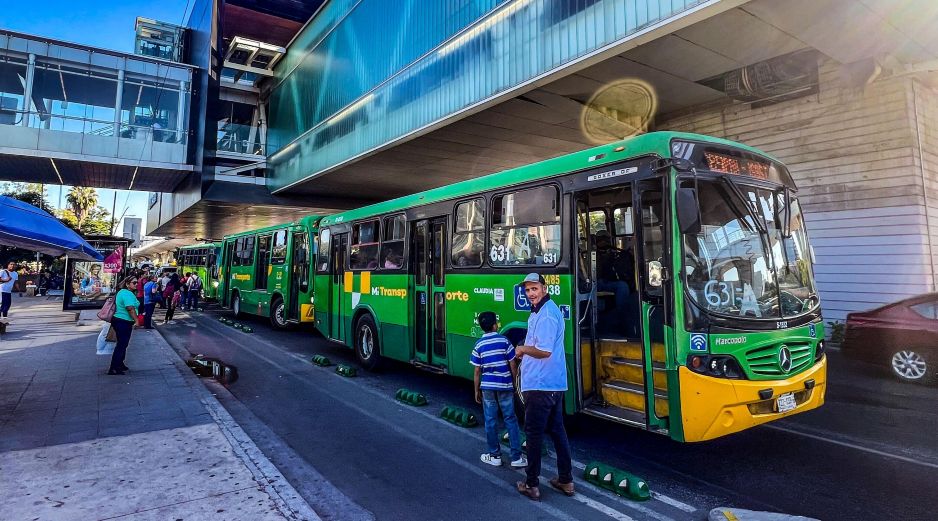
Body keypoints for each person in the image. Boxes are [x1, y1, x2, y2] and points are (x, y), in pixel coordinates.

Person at [513, 273, 574, 501]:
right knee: (557, 431)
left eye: (534, 289)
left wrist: (522, 350)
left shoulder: (547, 314)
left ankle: (531, 484)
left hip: (541, 384)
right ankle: (566, 480)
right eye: (528, 290)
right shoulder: (540, 311)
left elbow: (545, 350)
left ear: (544, 287)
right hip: (551, 383)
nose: (531, 294)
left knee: (534, 434)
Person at [471, 311, 526, 469]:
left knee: (490, 420)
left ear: (482, 328)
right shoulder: (504, 341)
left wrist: (476, 390)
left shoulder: (479, 345)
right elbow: (513, 364)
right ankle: (516, 457)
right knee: (510, 419)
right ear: (495, 325)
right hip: (505, 386)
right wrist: (515, 383)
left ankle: (494, 455)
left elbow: (476, 371)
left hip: (487, 387)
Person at [108, 275, 140, 375]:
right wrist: (137, 320)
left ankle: (120, 364)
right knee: (121, 345)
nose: (136, 284)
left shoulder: (123, 292)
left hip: (121, 320)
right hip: (123, 321)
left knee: (123, 344)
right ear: (127, 284)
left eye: (136, 282)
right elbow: (130, 308)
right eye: (134, 283)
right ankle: (114, 367)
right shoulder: (126, 293)